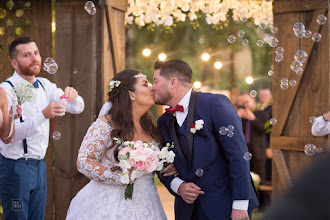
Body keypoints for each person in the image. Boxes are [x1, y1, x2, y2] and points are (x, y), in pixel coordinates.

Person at [153, 59, 259, 220]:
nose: (152, 87)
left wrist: (240, 204)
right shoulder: (163, 122)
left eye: (156, 81)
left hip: (225, 206)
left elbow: (238, 154)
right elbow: (161, 165)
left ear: (173, 82)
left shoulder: (214, 103)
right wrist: (178, 186)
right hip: (187, 211)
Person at [66, 69, 176, 220]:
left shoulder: (152, 129)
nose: (152, 88)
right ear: (131, 94)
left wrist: (168, 166)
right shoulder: (107, 123)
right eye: (145, 84)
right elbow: (84, 161)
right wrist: (119, 177)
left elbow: (159, 165)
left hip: (148, 204)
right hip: (112, 205)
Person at [0, 37, 85, 220]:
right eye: (27, 55)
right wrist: (43, 115)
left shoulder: (45, 85)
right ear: (14, 63)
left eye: (36, 53)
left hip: (40, 166)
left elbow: (78, 107)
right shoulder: (5, 90)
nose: (34, 58)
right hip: (15, 167)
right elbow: (7, 136)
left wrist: (73, 96)